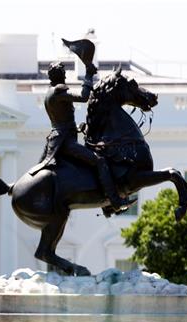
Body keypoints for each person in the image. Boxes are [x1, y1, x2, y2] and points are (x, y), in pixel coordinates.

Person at [29, 58, 134, 214]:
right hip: (65, 143)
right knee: (99, 161)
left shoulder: (49, 93)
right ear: (59, 76)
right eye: (63, 74)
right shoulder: (59, 90)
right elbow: (84, 96)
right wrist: (89, 74)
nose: (65, 77)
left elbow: (60, 122)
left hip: (59, 138)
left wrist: (77, 128)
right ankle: (113, 202)